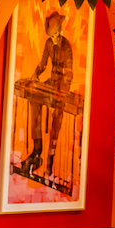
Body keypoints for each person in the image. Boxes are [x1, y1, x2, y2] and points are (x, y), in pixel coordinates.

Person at [26, 10, 74, 175]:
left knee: (56, 119)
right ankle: (37, 148)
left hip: (62, 87)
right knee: (33, 98)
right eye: (51, 36)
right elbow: (43, 64)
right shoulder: (48, 43)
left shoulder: (66, 46)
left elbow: (69, 73)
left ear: (59, 30)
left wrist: (63, 92)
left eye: (55, 35)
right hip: (51, 83)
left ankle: (49, 163)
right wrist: (36, 73)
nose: (53, 38)